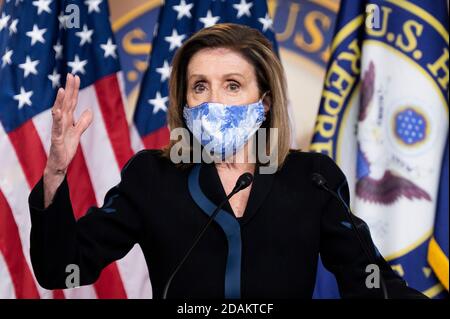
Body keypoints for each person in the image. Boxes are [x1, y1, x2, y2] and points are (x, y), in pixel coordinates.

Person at [29, 23, 426, 299]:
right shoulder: (151, 176)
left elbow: (371, 283)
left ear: (264, 101)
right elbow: (62, 270)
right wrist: (56, 173)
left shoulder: (313, 179)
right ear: (184, 102)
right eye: (200, 86)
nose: (214, 99)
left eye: (232, 85)